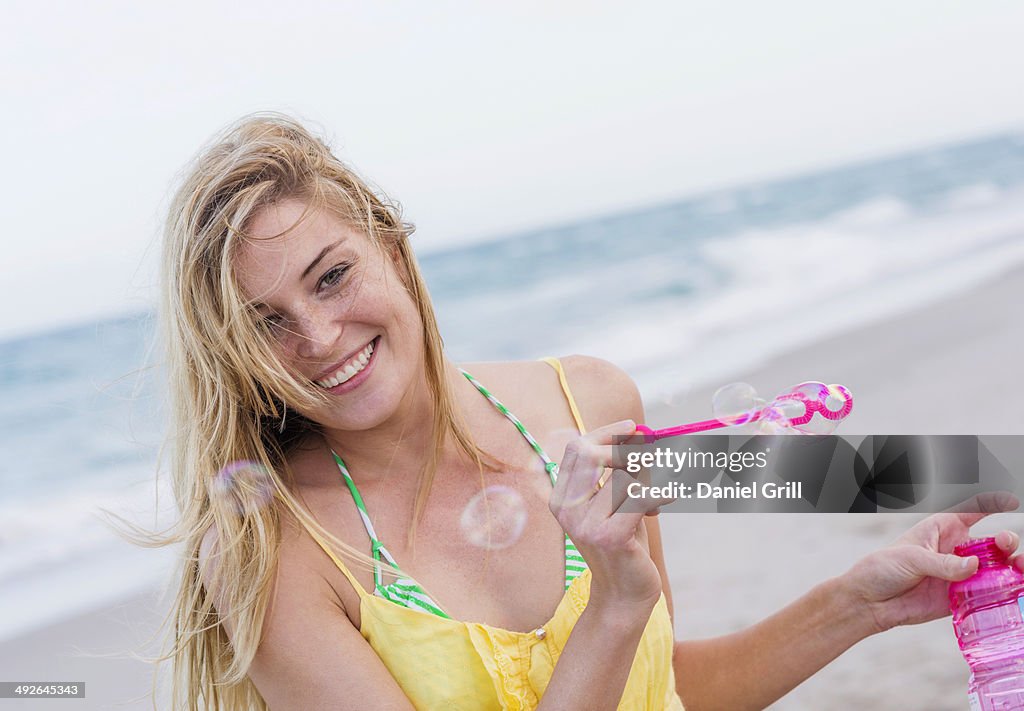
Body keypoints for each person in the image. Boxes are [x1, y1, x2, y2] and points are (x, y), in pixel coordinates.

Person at [153, 113, 1024, 710]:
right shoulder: (272, 553)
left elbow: (671, 686)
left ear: (388, 240)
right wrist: (613, 603)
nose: (317, 335)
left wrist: (863, 602)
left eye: (331, 275)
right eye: (264, 323)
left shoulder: (587, 402)